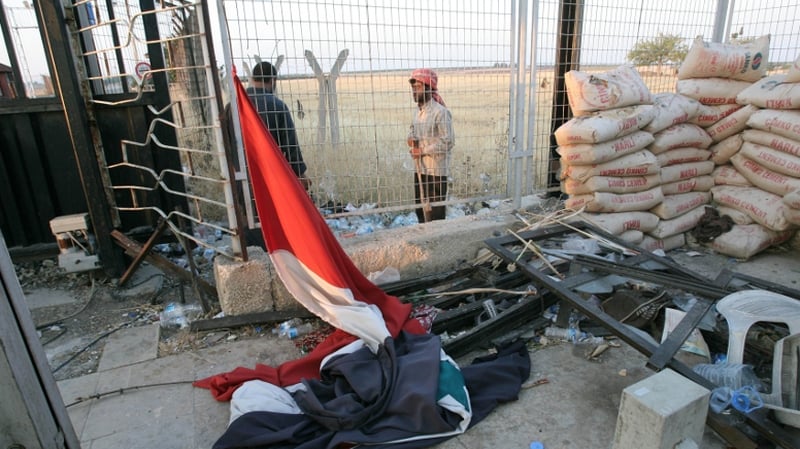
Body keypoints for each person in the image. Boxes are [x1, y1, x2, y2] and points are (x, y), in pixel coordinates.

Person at [247, 61, 311, 190]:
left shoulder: (234, 105)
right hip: (270, 173)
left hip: (243, 174)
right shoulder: (277, 106)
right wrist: (300, 173)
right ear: (272, 80)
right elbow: (290, 143)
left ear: (252, 79)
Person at [407, 68, 454, 223]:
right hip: (420, 169)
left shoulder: (440, 112)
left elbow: (448, 141)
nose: (414, 91)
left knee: (436, 215)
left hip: (436, 171)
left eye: (418, 88)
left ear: (428, 88)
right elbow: (412, 129)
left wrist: (422, 150)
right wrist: (411, 139)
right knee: (420, 211)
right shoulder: (418, 112)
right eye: (413, 88)